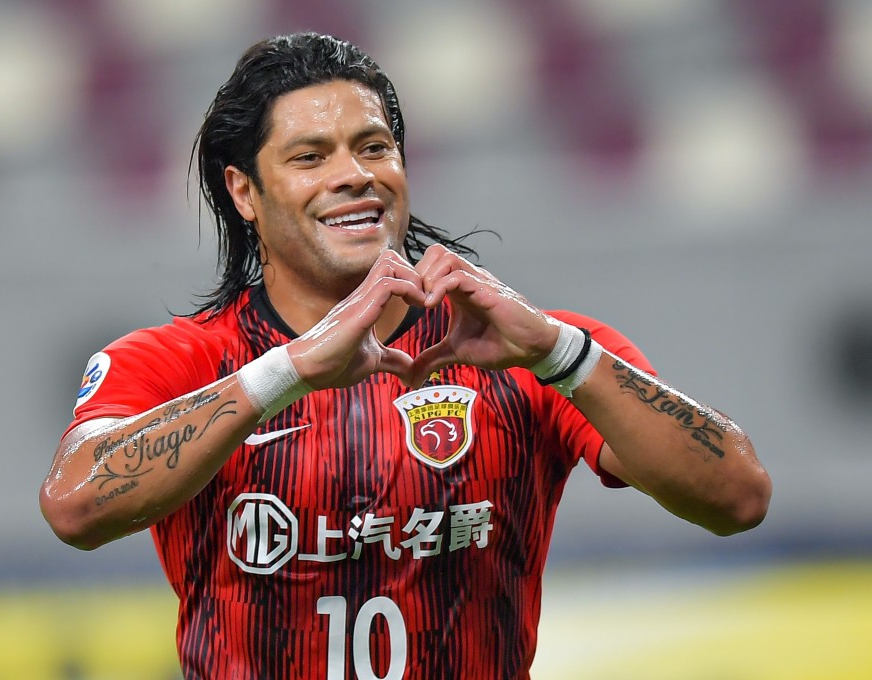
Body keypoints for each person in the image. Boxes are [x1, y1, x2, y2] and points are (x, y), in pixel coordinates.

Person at [40, 32, 771, 680]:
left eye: (374, 147)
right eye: (309, 157)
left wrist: (559, 353)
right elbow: (76, 505)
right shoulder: (178, 360)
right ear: (244, 192)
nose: (355, 174)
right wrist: (285, 373)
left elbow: (738, 496)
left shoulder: (533, 351)